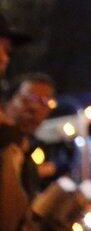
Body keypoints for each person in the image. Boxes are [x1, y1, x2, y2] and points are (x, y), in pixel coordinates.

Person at [0, 72, 56, 231]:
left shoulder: (27, 155)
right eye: (28, 99)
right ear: (7, 101)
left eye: (45, 102)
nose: (35, 108)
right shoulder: (4, 148)